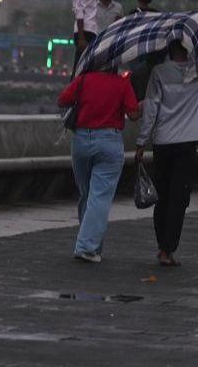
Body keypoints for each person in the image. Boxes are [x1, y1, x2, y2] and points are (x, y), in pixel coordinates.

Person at [135, 40, 198, 267]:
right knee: (179, 198)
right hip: (187, 143)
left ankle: (162, 246)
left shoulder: (159, 72)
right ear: (187, 49)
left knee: (163, 195)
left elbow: (151, 107)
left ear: (170, 49)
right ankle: (168, 249)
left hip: (163, 141)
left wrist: (141, 141)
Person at [58, 64, 141, 263]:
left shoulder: (84, 79)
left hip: (81, 141)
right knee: (100, 196)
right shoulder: (122, 83)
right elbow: (134, 115)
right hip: (109, 141)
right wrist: (143, 105)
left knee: (87, 194)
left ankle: (92, 244)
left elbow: (62, 100)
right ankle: (86, 247)